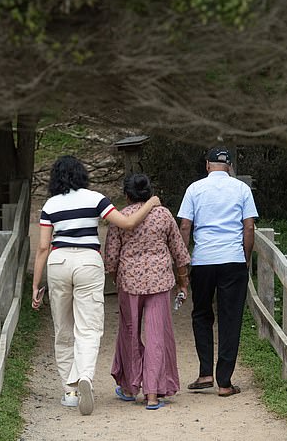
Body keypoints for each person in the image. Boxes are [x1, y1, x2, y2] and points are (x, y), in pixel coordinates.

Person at [31, 155, 161, 416]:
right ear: (82, 175)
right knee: (88, 328)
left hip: (58, 263)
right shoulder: (95, 198)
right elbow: (127, 223)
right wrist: (150, 204)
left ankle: (69, 390)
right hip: (88, 263)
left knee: (63, 327)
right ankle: (86, 377)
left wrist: (36, 285)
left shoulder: (50, 204)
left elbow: (43, 247)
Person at [104, 173, 191, 410]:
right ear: (149, 190)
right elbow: (179, 252)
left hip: (129, 282)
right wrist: (183, 282)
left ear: (127, 193)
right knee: (157, 335)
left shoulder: (120, 217)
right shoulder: (163, 215)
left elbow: (111, 257)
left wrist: (117, 278)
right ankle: (153, 394)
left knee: (129, 333)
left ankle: (130, 387)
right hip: (160, 281)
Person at [177, 147, 258, 397]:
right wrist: (245, 259)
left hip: (203, 260)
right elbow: (249, 227)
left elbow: (185, 226)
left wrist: (185, 260)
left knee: (201, 314)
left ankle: (204, 374)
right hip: (232, 259)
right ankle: (224, 382)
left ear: (207, 165)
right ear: (230, 166)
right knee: (230, 318)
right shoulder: (242, 189)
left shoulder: (194, 189)